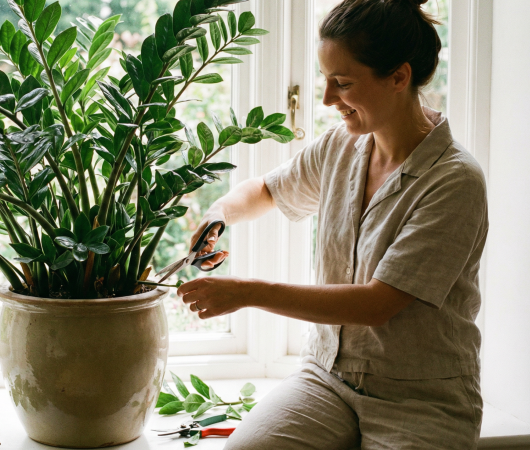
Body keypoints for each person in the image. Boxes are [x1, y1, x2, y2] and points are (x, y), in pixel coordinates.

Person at [176, 0, 489, 448]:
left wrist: (245, 292)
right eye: (325, 79)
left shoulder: (454, 180)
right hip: (326, 378)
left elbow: (376, 305)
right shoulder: (340, 147)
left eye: (342, 83)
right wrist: (218, 214)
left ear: (398, 77)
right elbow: (267, 190)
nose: (326, 99)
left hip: (421, 398)